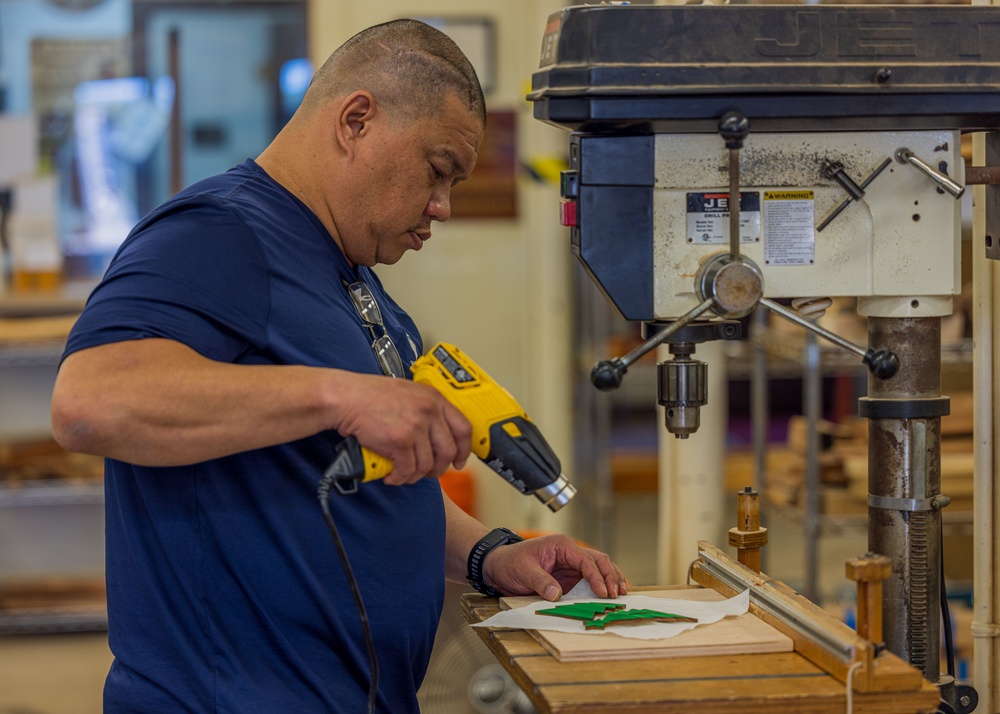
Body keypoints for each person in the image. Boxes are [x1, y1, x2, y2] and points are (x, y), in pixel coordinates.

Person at [50, 19, 627, 713]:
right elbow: (90, 403)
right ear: (356, 120)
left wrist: (490, 554)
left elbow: (369, 489)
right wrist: (340, 397)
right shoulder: (217, 234)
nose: (442, 208)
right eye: (437, 170)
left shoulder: (346, 271)